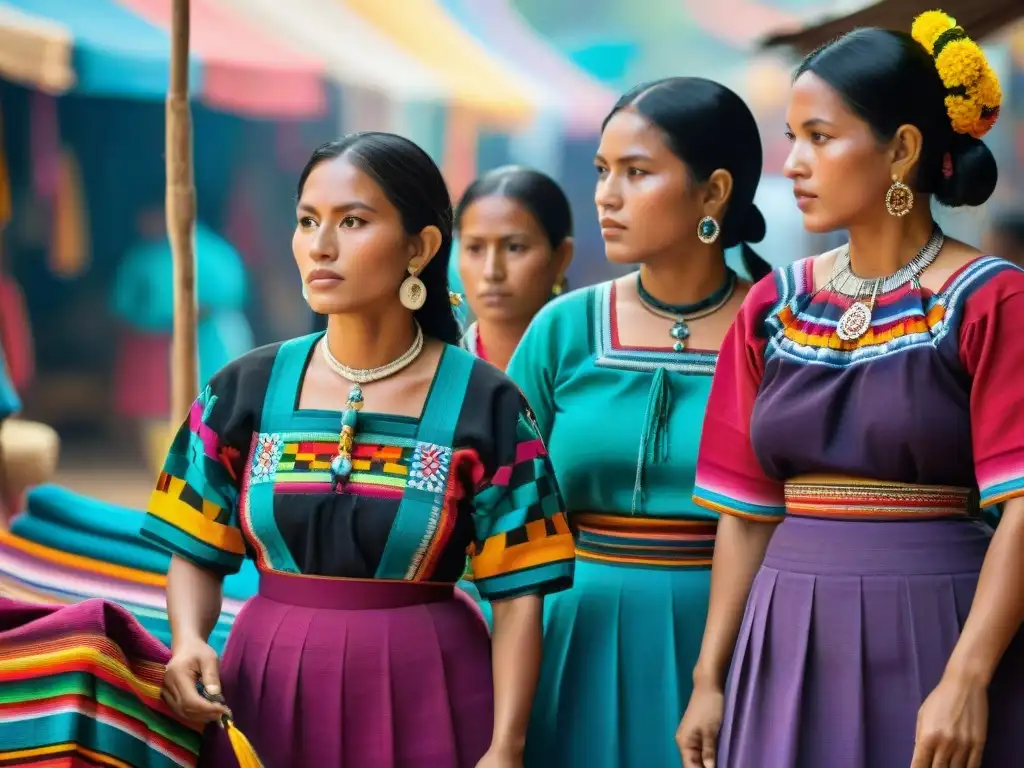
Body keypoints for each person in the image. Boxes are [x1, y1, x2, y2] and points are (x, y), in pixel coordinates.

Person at [140, 133, 575, 767]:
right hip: (267, 689)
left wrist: (505, 747)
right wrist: (186, 641)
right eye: (308, 220)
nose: (320, 245)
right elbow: (196, 551)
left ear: (420, 247)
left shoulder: (488, 405)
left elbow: (517, 599)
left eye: (352, 221)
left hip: (433, 691)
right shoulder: (242, 391)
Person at [677, 12, 1024, 768]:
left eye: (820, 137)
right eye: (791, 136)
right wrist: (711, 675)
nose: (794, 162)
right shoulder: (775, 305)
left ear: (901, 150)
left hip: (938, 625)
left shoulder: (991, 298)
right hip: (784, 631)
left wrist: (967, 676)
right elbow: (744, 513)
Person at [511, 78, 772, 767]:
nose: (605, 194)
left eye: (636, 172)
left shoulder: (775, 334)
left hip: (734, 644)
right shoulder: (564, 330)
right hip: (567, 633)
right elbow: (499, 506)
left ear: (713, 192)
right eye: (602, 171)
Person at [456, 166, 573, 372]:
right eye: (475, 248)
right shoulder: (435, 375)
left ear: (561, 256)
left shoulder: (592, 373)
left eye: (514, 247)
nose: (491, 272)